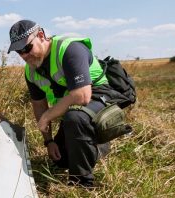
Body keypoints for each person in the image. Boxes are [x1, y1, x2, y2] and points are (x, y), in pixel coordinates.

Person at [7, 20, 111, 187]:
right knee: (61, 159)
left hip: (99, 97)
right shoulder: (31, 71)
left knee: (74, 118)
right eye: (19, 52)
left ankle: (81, 182)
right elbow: (39, 105)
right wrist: (49, 141)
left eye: (27, 48)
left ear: (41, 36)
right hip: (72, 107)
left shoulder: (69, 49)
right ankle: (97, 146)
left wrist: (48, 116)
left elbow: (82, 95)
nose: (25, 55)